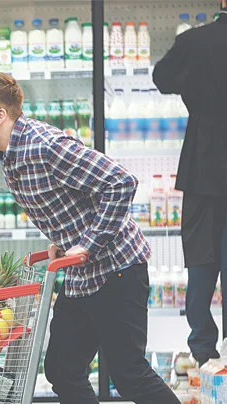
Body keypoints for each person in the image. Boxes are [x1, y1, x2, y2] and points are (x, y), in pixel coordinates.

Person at [0, 71, 179, 403]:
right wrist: (65, 239)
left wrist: (87, 243)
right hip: (81, 275)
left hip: (117, 269)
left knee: (129, 373)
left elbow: (120, 183)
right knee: (62, 369)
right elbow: (73, 198)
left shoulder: (45, 145)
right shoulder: (9, 152)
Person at [153, 1, 227, 367]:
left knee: (200, 253)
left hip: (203, 160)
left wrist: (196, 83)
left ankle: (204, 348)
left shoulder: (195, 42)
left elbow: (162, 78)